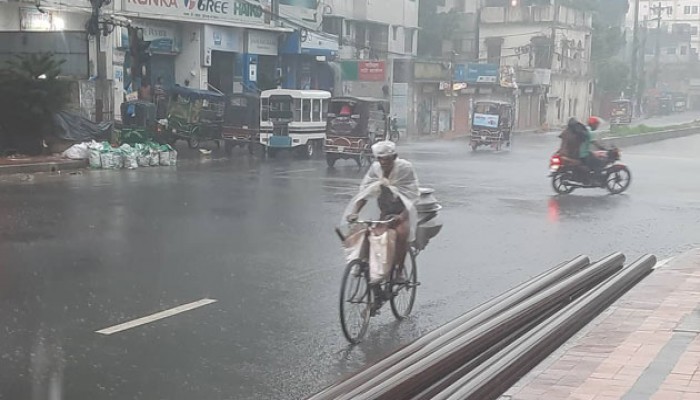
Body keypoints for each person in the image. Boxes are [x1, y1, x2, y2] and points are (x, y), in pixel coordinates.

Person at [345, 141, 420, 311]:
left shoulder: (405, 168)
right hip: (385, 212)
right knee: (371, 238)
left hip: (402, 212)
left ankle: (399, 271)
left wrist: (401, 217)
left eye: (386, 159)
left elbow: (413, 195)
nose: (383, 162)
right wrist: (355, 211)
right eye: (380, 159)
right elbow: (365, 191)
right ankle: (376, 285)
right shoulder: (375, 169)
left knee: (401, 234)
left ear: (394, 157)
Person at [580, 116, 607, 182]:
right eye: (597, 124)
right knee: (599, 162)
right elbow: (594, 142)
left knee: (593, 156)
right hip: (584, 154)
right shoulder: (590, 132)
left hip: (580, 152)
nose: (597, 126)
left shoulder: (585, 129)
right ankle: (595, 179)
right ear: (593, 124)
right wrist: (602, 148)